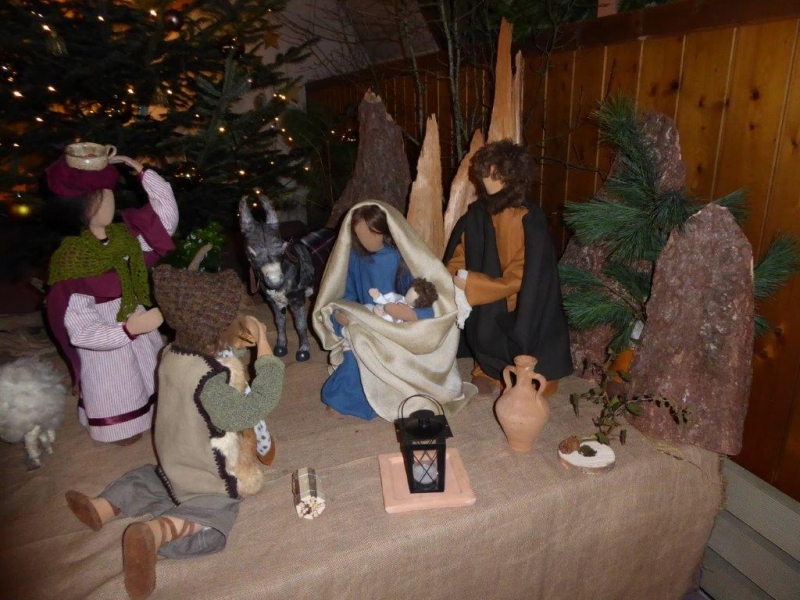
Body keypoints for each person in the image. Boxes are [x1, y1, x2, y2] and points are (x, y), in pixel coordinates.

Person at [64, 265, 285, 600]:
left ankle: (103, 506)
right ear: (217, 326)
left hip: (172, 463)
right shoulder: (213, 380)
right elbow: (253, 408)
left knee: (146, 478)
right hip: (205, 473)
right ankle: (156, 533)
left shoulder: (170, 354)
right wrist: (264, 346)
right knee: (216, 512)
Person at [45, 152, 177, 445]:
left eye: (108, 193)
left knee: (150, 370)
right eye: (100, 196)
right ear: (79, 206)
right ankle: (121, 424)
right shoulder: (72, 259)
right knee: (116, 379)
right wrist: (129, 329)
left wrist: (142, 172)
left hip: (136, 317)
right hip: (108, 337)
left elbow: (165, 222)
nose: (110, 201)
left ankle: (155, 412)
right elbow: (80, 329)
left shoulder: (123, 237)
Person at [313, 201, 474, 421]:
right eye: (360, 234)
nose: (367, 240)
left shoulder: (401, 257)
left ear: (385, 231)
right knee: (358, 349)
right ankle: (346, 400)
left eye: (373, 233)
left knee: (394, 356)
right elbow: (345, 293)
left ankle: (388, 395)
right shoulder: (353, 258)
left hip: (398, 324)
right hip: (368, 319)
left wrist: (412, 314)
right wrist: (342, 314)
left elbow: (421, 292)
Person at [443, 140, 572, 397]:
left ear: (512, 176)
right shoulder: (477, 214)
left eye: (496, 173)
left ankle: (530, 377)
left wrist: (479, 285)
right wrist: (451, 277)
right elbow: (460, 253)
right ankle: (487, 371)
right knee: (484, 328)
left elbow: (526, 270)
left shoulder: (528, 218)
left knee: (524, 334)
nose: (487, 178)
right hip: (485, 293)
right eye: (485, 171)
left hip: (521, 297)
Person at [367, 277, 438, 322]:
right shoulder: (399, 298)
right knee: (368, 306)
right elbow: (389, 298)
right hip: (377, 309)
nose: (409, 294)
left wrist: (383, 316)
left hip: (383, 320)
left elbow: (396, 320)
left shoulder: (406, 312)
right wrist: (378, 296)